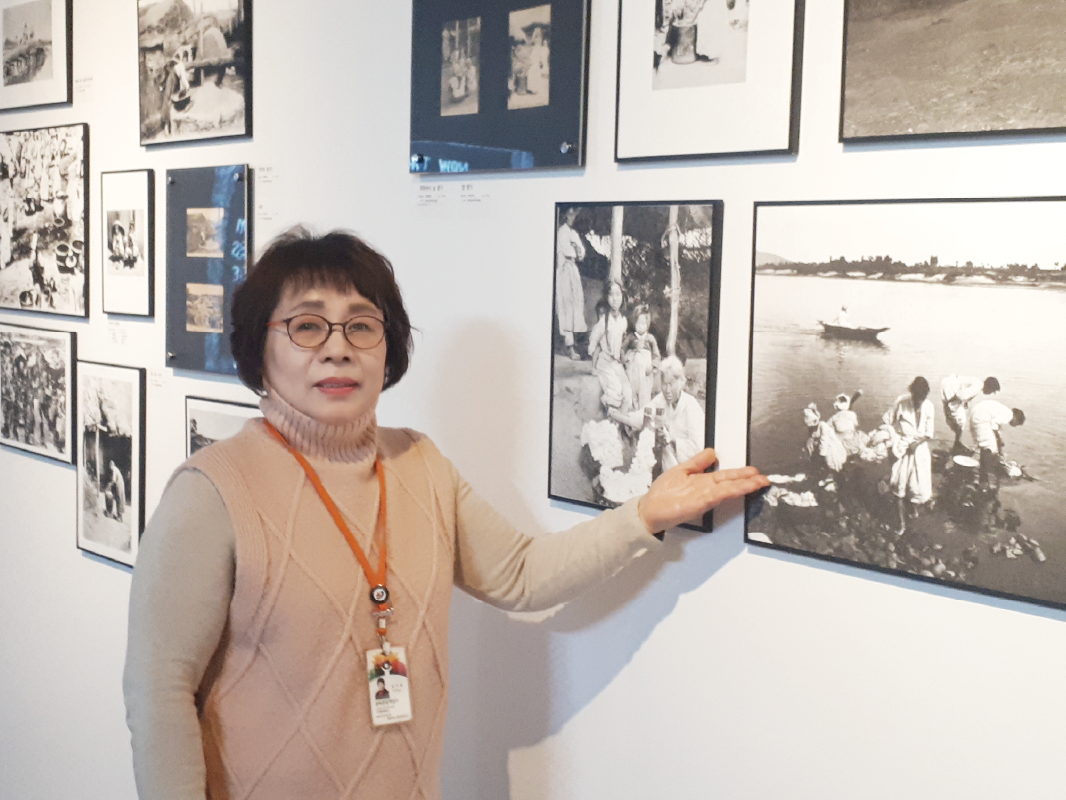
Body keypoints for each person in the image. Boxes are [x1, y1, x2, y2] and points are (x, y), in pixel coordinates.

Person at [122, 228, 768, 800]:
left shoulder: (419, 464)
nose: (338, 348)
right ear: (258, 348)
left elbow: (522, 573)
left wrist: (645, 513)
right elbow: (159, 692)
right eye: (307, 325)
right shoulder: (212, 491)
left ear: (388, 346)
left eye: (361, 325)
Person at [883, 377, 935, 535]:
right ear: (912, 393)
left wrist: (916, 444)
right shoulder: (901, 402)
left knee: (917, 486)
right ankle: (901, 524)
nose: (919, 401)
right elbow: (887, 421)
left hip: (919, 451)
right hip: (902, 448)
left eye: (922, 398)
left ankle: (913, 510)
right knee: (898, 488)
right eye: (917, 397)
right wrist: (891, 439)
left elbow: (928, 434)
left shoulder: (929, 407)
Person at [644, 356, 704, 471]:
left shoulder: (691, 407)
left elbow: (699, 448)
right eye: (664, 384)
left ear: (680, 382)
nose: (667, 390)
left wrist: (672, 440)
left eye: (671, 384)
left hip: (690, 471)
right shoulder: (661, 399)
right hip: (668, 469)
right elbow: (646, 411)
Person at [588, 280, 632, 414]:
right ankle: (611, 416)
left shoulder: (623, 321)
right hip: (605, 362)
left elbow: (623, 342)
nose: (615, 299)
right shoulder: (604, 321)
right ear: (607, 298)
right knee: (615, 390)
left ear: (622, 296)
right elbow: (594, 337)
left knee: (628, 392)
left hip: (617, 363)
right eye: (611, 295)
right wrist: (592, 350)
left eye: (618, 294)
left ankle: (620, 421)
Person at [970, 398, 1026, 498]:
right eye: (1016, 424)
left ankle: (982, 478)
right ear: (1016, 418)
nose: (1014, 426)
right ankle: (984, 482)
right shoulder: (1008, 415)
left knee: (986, 445)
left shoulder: (1004, 411)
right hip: (982, 417)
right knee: (989, 447)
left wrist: (999, 441)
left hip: (976, 413)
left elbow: (996, 428)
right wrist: (998, 441)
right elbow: (994, 426)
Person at [555, 208, 587, 360]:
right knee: (566, 307)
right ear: (565, 215)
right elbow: (569, 251)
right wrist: (575, 249)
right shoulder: (561, 231)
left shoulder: (573, 233)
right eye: (570, 214)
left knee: (576, 306)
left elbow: (581, 253)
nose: (572, 217)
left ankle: (573, 343)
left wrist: (577, 249)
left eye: (574, 215)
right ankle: (569, 346)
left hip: (573, 270)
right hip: (564, 271)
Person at [940, 375, 998, 453]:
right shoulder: (978, 386)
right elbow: (960, 395)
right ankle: (957, 445)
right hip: (951, 387)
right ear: (989, 387)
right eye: (991, 391)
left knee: (958, 419)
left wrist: (963, 402)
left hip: (949, 383)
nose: (990, 393)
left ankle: (957, 443)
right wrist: (951, 401)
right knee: (960, 420)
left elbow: (964, 393)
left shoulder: (977, 382)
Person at [623, 305, 661, 410]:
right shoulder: (631, 337)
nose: (641, 327)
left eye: (643, 324)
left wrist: (652, 367)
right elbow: (622, 349)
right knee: (631, 392)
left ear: (648, 324)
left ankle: (643, 412)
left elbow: (657, 356)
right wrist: (625, 358)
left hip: (645, 372)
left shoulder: (650, 339)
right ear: (634, 323)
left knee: (644, 393)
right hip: (633, 370)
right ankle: (633, 410)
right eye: (638, 323)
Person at [802, 402, 846, 474]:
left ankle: (829, 470)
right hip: (819, 445)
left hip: (830, 446)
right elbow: (811, 437)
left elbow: (824, 441)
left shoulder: (823, 426)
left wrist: (821, 455)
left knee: (828, 459)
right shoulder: (812, 428)